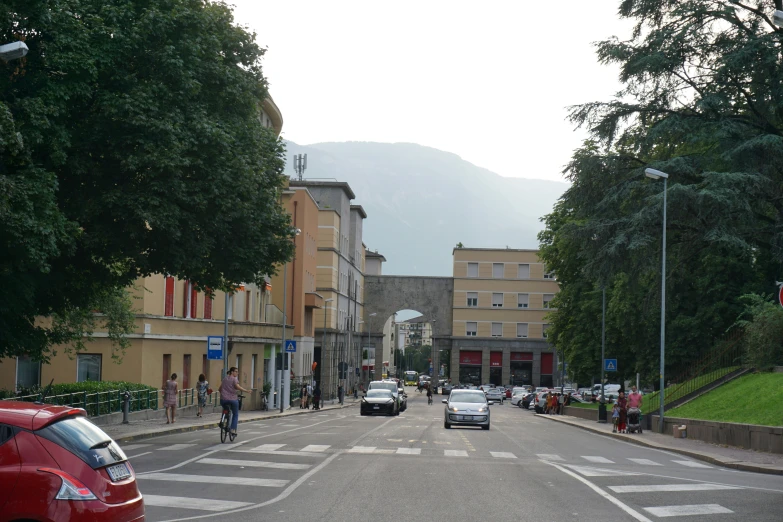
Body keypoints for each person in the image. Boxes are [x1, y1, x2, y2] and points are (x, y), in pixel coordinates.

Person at [219, 367, 252, 436]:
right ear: (232, 372)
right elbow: (237, 387)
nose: (237, 373)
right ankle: (233, 429)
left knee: (225, 409)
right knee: (235, 414)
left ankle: (222, 420)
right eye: (236, 371)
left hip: (223, 399)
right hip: (232, 399)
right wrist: (246, 391)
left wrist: (224, 394)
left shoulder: (224, 379)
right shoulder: (234, 379)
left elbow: (220, 389)